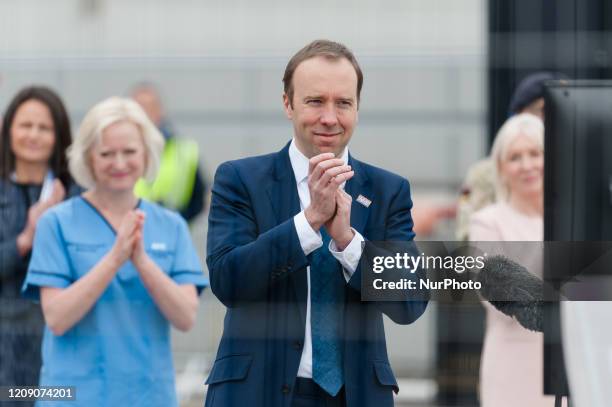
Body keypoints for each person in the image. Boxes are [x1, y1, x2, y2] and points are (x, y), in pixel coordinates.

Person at [205, 40, 428, 407]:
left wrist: (346, 240)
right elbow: (228, 280)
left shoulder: (388, 190)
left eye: (343, 103)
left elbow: (410, 301)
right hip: (257, 392)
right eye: (315, 101)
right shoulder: (240, 179)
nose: (330, 117)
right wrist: (308, 224)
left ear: (357, 108)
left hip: (354, 396)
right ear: (288, 104)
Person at [22, 97, 208, 406]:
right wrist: (115, 258)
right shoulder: (56, 223)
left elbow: (185, 316)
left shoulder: (170, 225)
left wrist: (142, 262)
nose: (119, 163)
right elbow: (56, 317)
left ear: (146, 154)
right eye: (106, 153)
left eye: (130, 152)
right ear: (88, 158)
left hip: (148, 396)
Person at [469, 113, 564, 406]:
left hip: (572, 363)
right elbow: (495, 294)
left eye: (535, 154)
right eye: (515, 157)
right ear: (500, 167)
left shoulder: (571, 220)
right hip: (513, 368)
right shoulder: (486, 222)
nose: (527, 165)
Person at [0, 86, 80, 404]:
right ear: (9, 131)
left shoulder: (77, 195)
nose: (34, 135)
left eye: (44, 127)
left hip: (60, 338)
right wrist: (27, 237)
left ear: (59, 135)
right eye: (25, 125)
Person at [455, 71, 566, 241]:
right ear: (520, 114)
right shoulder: (484, 173)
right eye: (542, 110)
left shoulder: (570, 167)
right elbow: (466, 238)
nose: (527, 166)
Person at [130, 83, 208, 222]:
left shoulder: (183, 150)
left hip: (170, 236)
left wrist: (178, 221)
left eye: (149, 108)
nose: (144, 114)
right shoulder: (117, 150)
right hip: (125, 232)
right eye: (139, 108)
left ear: (160, 111)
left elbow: (199, 198)